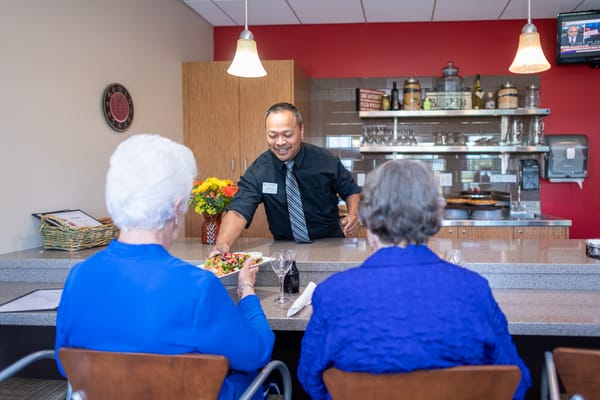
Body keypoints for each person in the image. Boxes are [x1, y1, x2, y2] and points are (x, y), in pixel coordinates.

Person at [54, 134, 274, 400]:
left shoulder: (79, 277)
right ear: (176, 207)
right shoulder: (198, 287)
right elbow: (256, 354)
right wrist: (247, 292)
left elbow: (63, 362)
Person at [297, 159, 531, 400]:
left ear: (366, 216)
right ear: (435, 218)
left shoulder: (332, 293)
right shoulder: (473, 288)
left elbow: (311, 379)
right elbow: (515, 382)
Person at [211, 102, 361, 254]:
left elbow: (350, 190)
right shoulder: (260, 170)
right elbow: (238, 211)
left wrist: (353, 213)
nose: (280, 142)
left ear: (301, 131)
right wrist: (222, 244)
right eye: (272, 135)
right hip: (284, 249)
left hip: (330, 243)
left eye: (287, 135)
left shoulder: (325, 160)